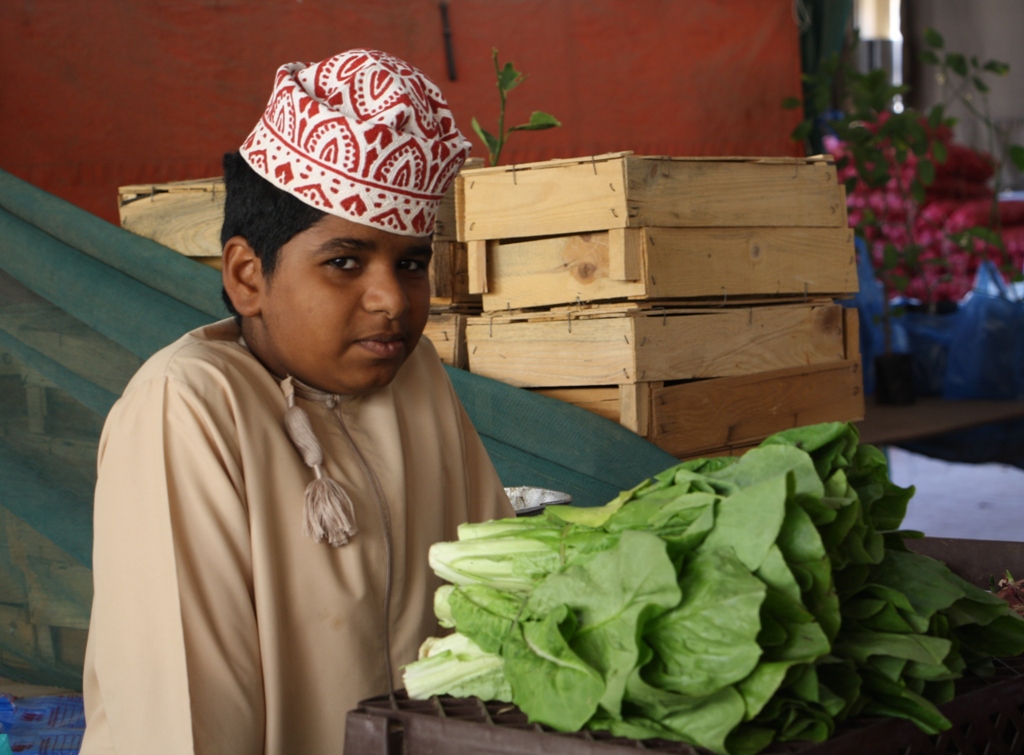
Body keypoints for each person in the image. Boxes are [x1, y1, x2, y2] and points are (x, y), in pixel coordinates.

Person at [80, 49, 513, 754]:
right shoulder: (187, 407)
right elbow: (184, 722)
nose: (391, 299)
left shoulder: (417, 379)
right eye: (345, 262)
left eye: (411, 263)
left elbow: (495, 610)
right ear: (249, 277)